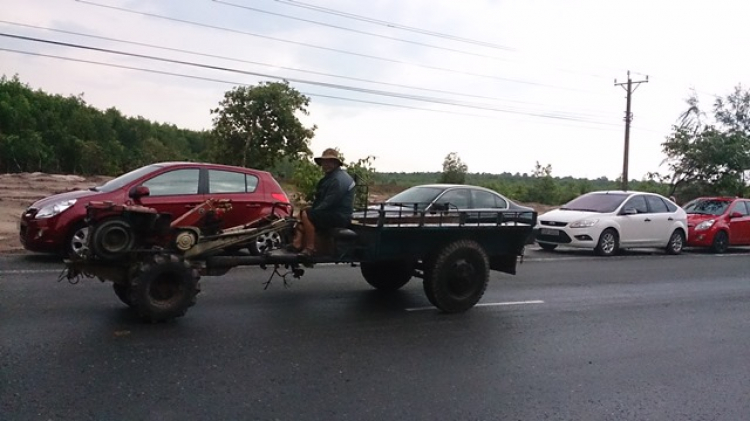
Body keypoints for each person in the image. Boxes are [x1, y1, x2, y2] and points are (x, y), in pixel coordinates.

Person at [290, 148, 355, 256]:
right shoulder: (329, 178)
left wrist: (312, 209)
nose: (326, 164)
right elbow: (320, 198)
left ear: (336, 163)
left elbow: (330, 202)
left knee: (307, 214)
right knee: (301, 212)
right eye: (325, 162)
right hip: (333, 213)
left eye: (330, 162)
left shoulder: (337, 180)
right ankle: (297, 243)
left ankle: (310, 248)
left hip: (340, 216)